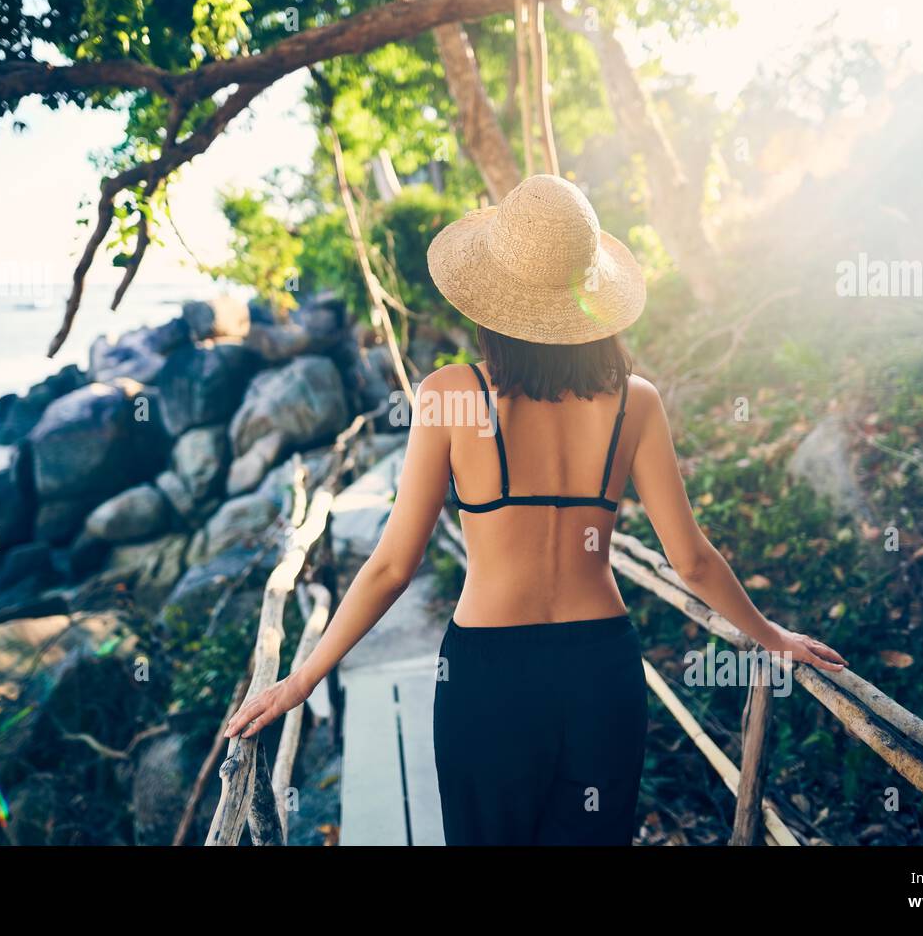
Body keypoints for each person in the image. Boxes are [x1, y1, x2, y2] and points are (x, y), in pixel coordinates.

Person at [225, 174, 846, 845]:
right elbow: (690, 557)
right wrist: (770, 635)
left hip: (488, 681)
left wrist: (303, 677)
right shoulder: (635, 401)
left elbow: (392, 566)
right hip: (600, 673)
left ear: (492, 297)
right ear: (589, 296)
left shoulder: (448, 396)